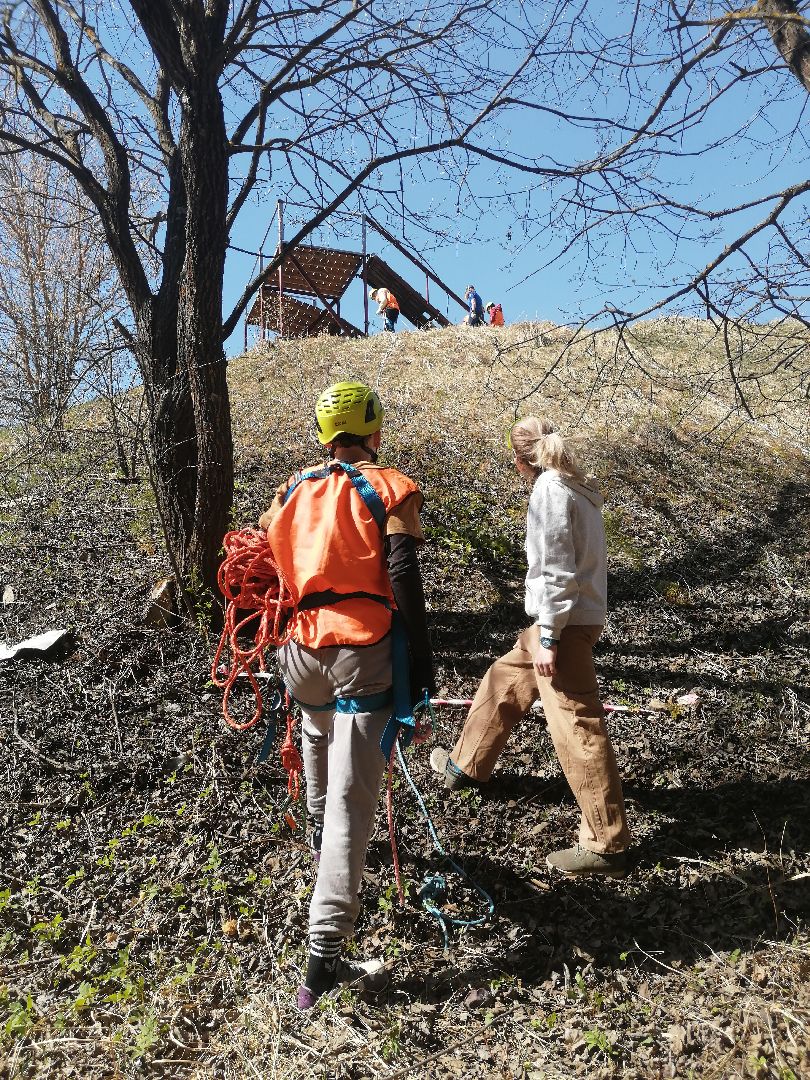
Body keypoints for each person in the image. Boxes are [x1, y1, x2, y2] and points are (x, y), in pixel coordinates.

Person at [259, 381, 435, 1008]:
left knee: (317, 754)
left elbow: (273, 560)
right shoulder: (389, 486)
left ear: (323, 432)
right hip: (362, 649)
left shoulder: (289, 492)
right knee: (352, 804)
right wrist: (422, 656)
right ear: (375, 430)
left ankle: (318, 862)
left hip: (300, 651)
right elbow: (404, 573)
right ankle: (323, 957)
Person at [431, 417, 631, 878]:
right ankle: (465, 766)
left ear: (521, 460)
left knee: (577, 727)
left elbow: (559, 572)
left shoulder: (550, 491)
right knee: (503, 678)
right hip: (564, 621)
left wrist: (549, 636)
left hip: (563, 627)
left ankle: (606, 846)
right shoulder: (577, 486)